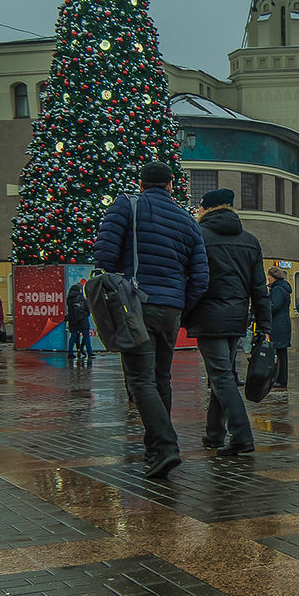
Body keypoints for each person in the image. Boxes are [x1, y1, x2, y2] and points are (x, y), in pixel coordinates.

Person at [94, 162, 210, 479]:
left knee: (139, 380)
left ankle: (166, 447)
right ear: (171, 185)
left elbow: (103, 254)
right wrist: (179, 305)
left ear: (141, 183)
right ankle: (154, 448)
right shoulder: (188, 221)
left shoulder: (126, 204)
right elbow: (201, 277)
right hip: (171, 310)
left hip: (136, 305)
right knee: (161, 378)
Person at [183, 188, 269, 456]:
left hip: (208, 316)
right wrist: (265, 326)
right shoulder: (250, 240)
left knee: (221, 376)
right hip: (236, 317)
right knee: (223, 374)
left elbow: (193, 280)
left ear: (206, 209)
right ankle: (214, 434)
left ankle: (242, 435)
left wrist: (185, 313)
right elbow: (259, 288)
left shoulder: (199, 236)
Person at [267, 266, 293, 389]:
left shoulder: (278, 289)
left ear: (273, 277)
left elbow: (274, 306)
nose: (268, 280)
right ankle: (280, 378)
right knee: (281, 353)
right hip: (283, 323)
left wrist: (264, 307)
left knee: (279, 353)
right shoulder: (283, 287)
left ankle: (280, 379)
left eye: (269, 278)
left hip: (278, 324)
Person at [65, 279, 93, 362]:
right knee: (86, 337)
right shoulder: (82, 298)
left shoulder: (69, 299)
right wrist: (86, 314)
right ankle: (89, 353)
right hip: (83, 320)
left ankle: (70, 353)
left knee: (73, 337)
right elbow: (88, 309)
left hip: (73, 321)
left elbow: (70, 311)